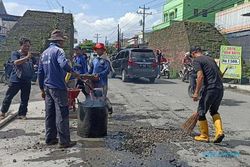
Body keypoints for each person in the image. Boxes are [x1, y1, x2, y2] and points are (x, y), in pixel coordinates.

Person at [38, 29, 78, 148]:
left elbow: (40, 72)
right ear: (60, 41)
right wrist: (72, 71)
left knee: (49, 113)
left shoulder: (44, 53)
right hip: (58, 87)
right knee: (62, 113)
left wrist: (41, 88)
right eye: (63, 40)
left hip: (47, 87)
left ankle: (50, 139)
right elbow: (63, 64)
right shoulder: (59, 51)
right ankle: (64, 141)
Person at [190, 46, 224, 143]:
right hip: (219, 88)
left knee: (201, 112)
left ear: (193, 53)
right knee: (214, 111)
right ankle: (219, 132)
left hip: (210, 89)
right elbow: (220, 74)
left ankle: (204, 136)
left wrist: (196, 93)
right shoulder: (210, 59)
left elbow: (200, 76)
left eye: (192, 56)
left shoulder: (197, 60)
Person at [0, 38, 34, 120]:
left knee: (25, 98)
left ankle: (22, 114)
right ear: (21, 45)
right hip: (16, 80)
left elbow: (35, 64)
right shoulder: (15, 53)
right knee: (9, 96)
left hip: (26, 80)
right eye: (25, 46)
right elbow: (16, 62)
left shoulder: (30, 56)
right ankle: (3, 112)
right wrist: (27, 58)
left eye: (28, 46)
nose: (27, 48)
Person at [89, 43, 113, 114]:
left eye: (100, 49)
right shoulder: (94, 60)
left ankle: (108, 108)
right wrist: (87, 75)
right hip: (93, 81)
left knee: (102, 97)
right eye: (97, 49)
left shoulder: (106, 60)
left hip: (102, 82)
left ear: (103, 50)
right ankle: (95, 111)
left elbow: (107, 70)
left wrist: (99, 75)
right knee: (93, 96)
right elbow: (91, 69)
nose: (98, 51)